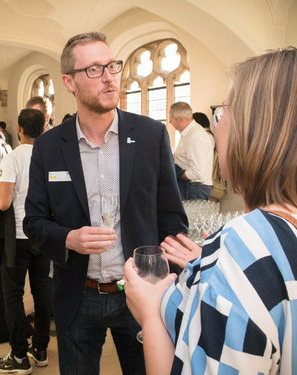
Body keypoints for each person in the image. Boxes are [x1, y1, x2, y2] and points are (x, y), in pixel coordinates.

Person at [123, 47, 297, 374]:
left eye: (223, 111)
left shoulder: (240, 246)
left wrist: (150, 310)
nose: (217, 126)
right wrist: (210, 270)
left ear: (255, 128)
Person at [23, 31, 188, 374]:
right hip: (77, 294)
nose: (110, 77)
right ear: (69, 81)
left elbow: (173, 222)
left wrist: (165, 285)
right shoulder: (49, 147)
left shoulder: (150, 136)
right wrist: (69, 239)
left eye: (112, 65)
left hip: (141, 296)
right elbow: (33, 223)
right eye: (95, 70)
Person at [0, 109, 50, 374]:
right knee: (42, 290)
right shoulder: (49, 156)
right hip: (44, 233)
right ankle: (40, 349)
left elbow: (3, 203)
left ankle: (18, 355)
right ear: (44, 127)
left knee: (13, 294)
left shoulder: (13, 157)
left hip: (18, 235)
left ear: (19, 128)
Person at [170, 102, 215, 200]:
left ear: (180, 119)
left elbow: (197, 172)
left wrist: (176, 173)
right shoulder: (188, 133)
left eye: (171, 118)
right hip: (191, 187)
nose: (169, 121)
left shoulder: (195, 136)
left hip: (194, 188)